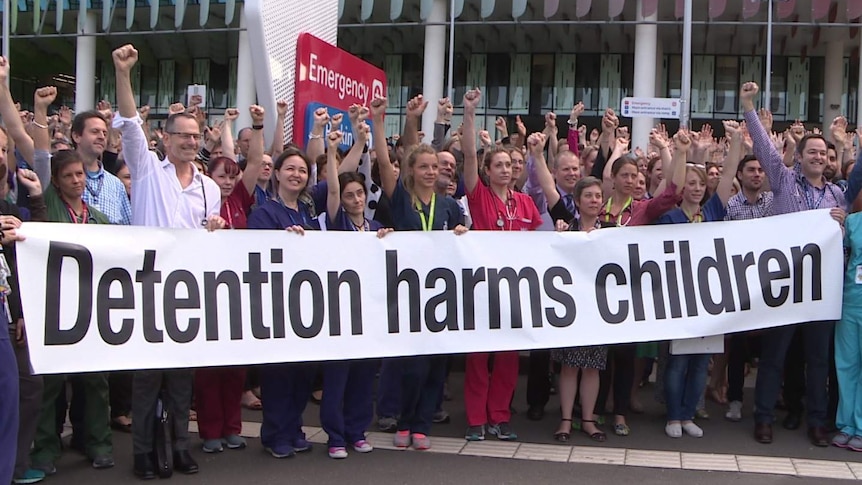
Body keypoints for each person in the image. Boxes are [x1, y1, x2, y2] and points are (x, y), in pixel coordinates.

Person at [112, 44, 225, 480]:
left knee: (181, 382)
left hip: (186, 293)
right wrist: (123, 73)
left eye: (196, 137)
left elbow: (206, 240)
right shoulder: (145, 170)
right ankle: (143, 453)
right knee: (146, 380)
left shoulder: (207, 187)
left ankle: (179, 446)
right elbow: (129, 125)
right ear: (165, 138)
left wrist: (213, 229)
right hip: (146, 289)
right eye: (183, 135)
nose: (190, 142)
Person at [741, 81, 846, 447]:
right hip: (785, 285)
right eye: (812, 151)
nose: (818, 156)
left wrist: (842, 224)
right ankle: (764, 418)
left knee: (818, 360)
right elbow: (765, 148)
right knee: (775, 355)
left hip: (821, 291)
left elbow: (843, 243)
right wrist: (748, 106)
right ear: (799, 156)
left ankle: (817, 421)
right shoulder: (784, 181)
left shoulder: (838, 196)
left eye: (824, 153)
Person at [370, 95, 467, 451]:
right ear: (411, 170)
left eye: (434, 167)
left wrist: (461, 235)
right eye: (423, 166)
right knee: (411, 365)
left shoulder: (449, 207)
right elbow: (383, 162)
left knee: (436, 366)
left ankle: (423, 424)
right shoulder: (401, 200)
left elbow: (463, 241)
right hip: (408, 295)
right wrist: (378, 123)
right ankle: (405, 419)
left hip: (440, 296)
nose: (430, 171)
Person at [461, 89, 541, 443]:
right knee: (479, 359)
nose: (506, 170)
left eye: (510, 165)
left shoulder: (525, 203)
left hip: (515, 293)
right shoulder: (478, 196)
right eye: (499, 165)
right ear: (487, 171)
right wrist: (469, 111)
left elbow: (544, 244)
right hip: (482, 289)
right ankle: (477, 419)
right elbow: (466, 151)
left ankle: (500, 417)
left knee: (508, 360)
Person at [657, 123, 743, 439]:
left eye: (700, 183)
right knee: (678, 362)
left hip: (709, 299)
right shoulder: (669, 218)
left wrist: (735, 140)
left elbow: (731, 168)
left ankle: (689, 413)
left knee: (700, 361)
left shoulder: (712, 213)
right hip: (680, 300)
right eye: (690, 183)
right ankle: (673, 415)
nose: (695, 188)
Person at [192, 104, 265, 454]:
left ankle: (233, 428)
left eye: (232, 177)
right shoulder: (199, 200)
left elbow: (253, 162)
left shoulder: (239, 197)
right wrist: (224, 128)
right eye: (222, 176)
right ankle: (210, 432)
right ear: (209, 177)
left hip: (237, 295)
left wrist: (254, 125)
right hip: (205, 294)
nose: (229, 182)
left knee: (236, 369)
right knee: (209, 372)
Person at [320, 127, 393, 459]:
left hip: (370, 314)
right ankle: (335, 436)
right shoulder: (336, 224)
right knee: (338, 378)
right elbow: (331, 190)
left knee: (364, 377)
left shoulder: (377, 230)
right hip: (339, 314)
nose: (355, 199)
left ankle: (357, 430)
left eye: (359, 194)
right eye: (349, 195)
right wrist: (333, 152)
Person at [247, 145, 319, 459]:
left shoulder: (309, 213)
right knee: (278, 374)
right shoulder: (265, 213)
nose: (296, 175)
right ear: (276, 174)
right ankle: (274, 433)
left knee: (303, 373)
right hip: (277, 305)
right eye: (290, 168)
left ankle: (293, 427)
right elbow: (258, 254)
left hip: (305, 304)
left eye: (302, 170)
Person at [0, 61, 51, 485]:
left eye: (4, 150)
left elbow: (25, 254)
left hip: (12, 314)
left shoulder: (14, 197)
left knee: (20, 391)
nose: (3, 155)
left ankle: (13, 467)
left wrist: (34, 205)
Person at [834, 148, 862, 450]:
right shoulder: (854, 222)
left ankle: (861, 425)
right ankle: (845, 424)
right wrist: (837, 220)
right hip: (851, 301)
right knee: (846, 364)